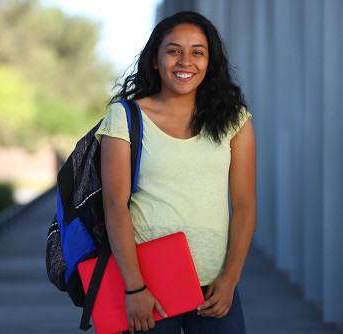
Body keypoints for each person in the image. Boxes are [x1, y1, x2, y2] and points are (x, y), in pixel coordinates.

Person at [94, 11, 256, 334]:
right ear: (155, 59)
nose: (185, 61)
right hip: (149, 286)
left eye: (197, 52)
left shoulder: (234, 120)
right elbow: (114, 204)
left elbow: (245, 203)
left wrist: (231, 278)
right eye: (173, 51)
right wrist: (134, 287)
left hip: (215, 287)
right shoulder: (124, 117)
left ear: (209, 62)